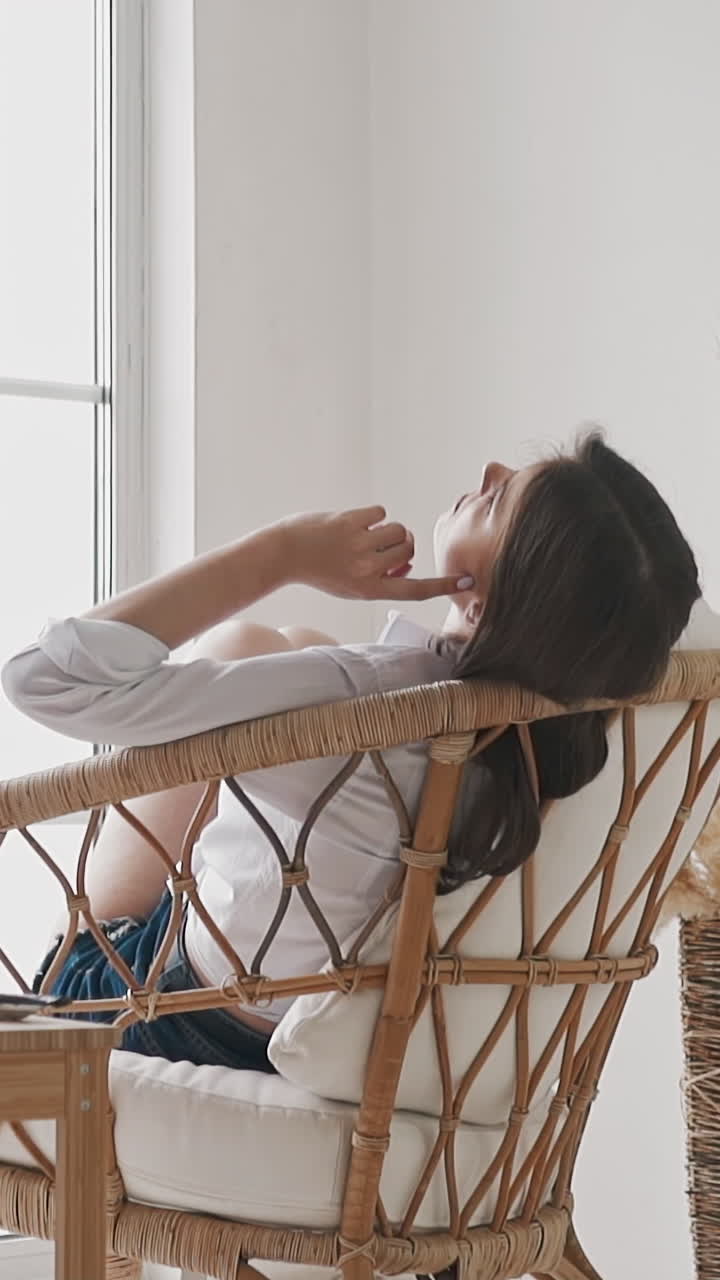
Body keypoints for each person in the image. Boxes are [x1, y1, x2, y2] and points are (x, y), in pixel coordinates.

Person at [1, 432, 700, 1069]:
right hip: (291, 1018)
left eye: (496, 500)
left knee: (243, 644)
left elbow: (42, 677)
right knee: (295, 639)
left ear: (487, 604)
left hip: (143, 1011)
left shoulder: (358, 700)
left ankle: (73, 968)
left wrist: (284, 554)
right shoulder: (546, 735)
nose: (487, 469)